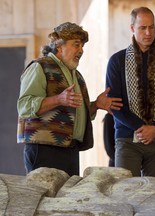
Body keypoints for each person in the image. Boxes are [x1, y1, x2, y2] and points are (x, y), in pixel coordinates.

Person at [17, 22, 123, 176]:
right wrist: (58, 99)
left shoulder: (76, 76)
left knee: (66, 199)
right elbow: (24, 106)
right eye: (76, 45)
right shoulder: (40, 67)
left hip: (70, 149)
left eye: (82, 46)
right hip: (44, 149)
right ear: (60, 46)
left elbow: (76, 112)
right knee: (46, 198)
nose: (81, 50)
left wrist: (95, 105)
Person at [105, 7, 155, 178]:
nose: (148, 32)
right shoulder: (117, 60)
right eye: (142, 28)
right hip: (127, 139)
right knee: (126, 192)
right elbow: (113, 103)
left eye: (151, 27)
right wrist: (140, 127)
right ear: (132, 28)